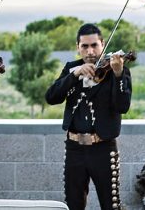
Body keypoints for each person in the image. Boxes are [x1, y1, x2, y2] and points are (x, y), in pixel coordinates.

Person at [45, 23, 132, 210]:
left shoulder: (117, 70)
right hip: (74, 148)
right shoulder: (71, 68)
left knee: (111, 205)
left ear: (102, 45)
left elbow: (123, 106)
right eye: (85, 46)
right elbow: (51, 97)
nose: (90, 51)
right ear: (78, 47)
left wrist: (117, 76)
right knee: (73, 205)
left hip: (103, 147)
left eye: (94, 45)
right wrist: (74, 75)